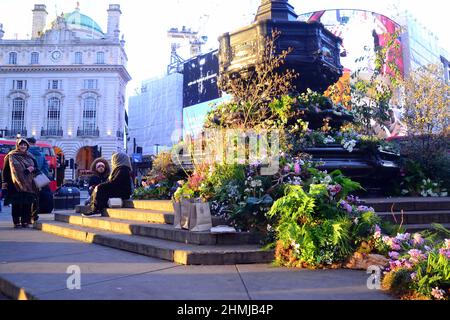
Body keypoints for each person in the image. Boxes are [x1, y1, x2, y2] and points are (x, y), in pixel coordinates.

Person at [1, 138, 39, 228]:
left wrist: (32, 169)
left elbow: (37, 169)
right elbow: (5, 170)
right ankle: (16, 222)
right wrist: (4, 182)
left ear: (27, 146)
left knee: (27, 203)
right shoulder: (11, 156)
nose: (23, 146)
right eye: (21, 144)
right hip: (14, 184)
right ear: (17, 145)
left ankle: (25, 221)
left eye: (25, 145)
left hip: (29, 184)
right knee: (16, 203)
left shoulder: (31, 156)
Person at [82, 153, 132, 217]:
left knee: (100, 188)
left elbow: (115, 182)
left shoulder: (123, 170)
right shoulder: (119, 169)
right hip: (120, 191)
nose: (112, 162)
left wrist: (100, 186)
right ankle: (95, 208)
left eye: (114, 159)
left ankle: (96, 210)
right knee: (100, 188)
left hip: (122, 193)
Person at [27, 137, 52, 220]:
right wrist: (42, 177)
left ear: (28, 143)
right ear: (35, 143)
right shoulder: (41, 154)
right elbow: (46, 168)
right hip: (39, 177)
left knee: (27, 196)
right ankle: (34, 214)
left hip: (28, 177)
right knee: (37, 196)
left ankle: (27, 215)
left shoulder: (26, 153)